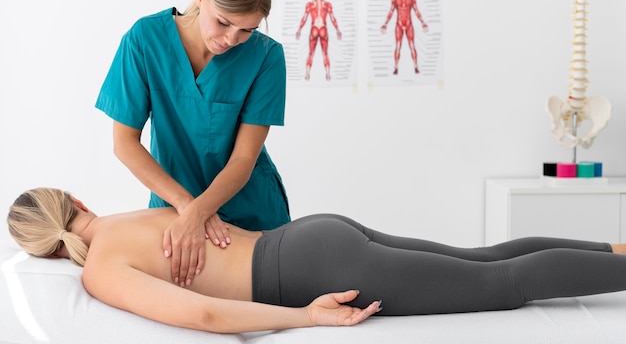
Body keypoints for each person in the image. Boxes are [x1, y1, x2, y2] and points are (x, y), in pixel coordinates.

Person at [8, 187, 626, 334]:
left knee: (503, 285)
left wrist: (305, 315)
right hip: (311, 235)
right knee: (485, 260)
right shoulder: (128, 214)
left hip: (314, 270)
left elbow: (202, 315)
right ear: (75, 200)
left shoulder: (99, 267)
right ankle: (613, 250)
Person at [94, 0, 291, 286]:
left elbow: (244, 159)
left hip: (251, 209)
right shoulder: (144, 41)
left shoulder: (266, 57)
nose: (231, 39)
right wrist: (188, 208)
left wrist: (199, 212)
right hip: (172, 208)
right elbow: (124, 143)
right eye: (224, 22)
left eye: (247, 30)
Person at [381, 0, 428, 75]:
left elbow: (416, 11)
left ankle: (416, 66)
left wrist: (423, 22)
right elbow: (391, 12)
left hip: (408, 24)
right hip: (399, 24)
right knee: (398, 46)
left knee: (411, 45)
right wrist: (385, 23)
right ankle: (396, 67)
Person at [295, 0, 342, 81]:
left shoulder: (311, 5)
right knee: (325, 53)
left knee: (311, 53)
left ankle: (307, 74)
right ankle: (327, 74)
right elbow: (332, 18)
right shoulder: (326, 5)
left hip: (315, 29)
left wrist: (299, 29)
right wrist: (337, 29)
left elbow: (304, 18)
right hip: (323, 28)